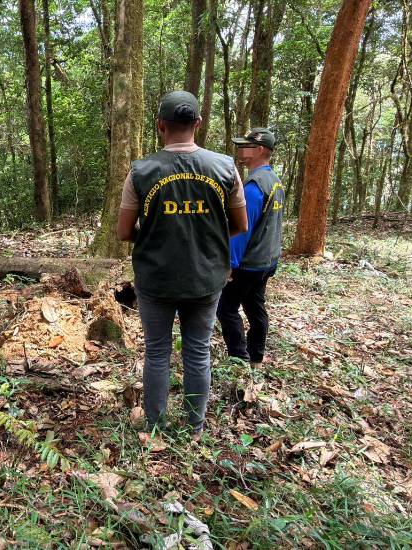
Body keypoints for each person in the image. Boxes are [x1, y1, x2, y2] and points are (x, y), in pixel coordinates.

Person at [117, 91, 248, 436]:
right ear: (197, 124)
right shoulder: (225, 168)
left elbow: (123, 231)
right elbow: (239, 225)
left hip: (156, 278)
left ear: (161, 125)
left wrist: (158, 234)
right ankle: (194, 426)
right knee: (197, 351)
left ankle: (155, 426)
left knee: (157, 352)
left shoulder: (141, 171)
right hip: (206, 278)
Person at [216, 128, 285, 368]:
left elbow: (242, 229)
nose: (240, 150)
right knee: (255, 307)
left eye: (245, 146)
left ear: (260, 150)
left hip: (250, 263)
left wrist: (230, 264)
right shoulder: (274, 181)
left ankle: (240, 359)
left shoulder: (255, 187)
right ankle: (256, 357)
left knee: (226, 309)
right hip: (267, 261)